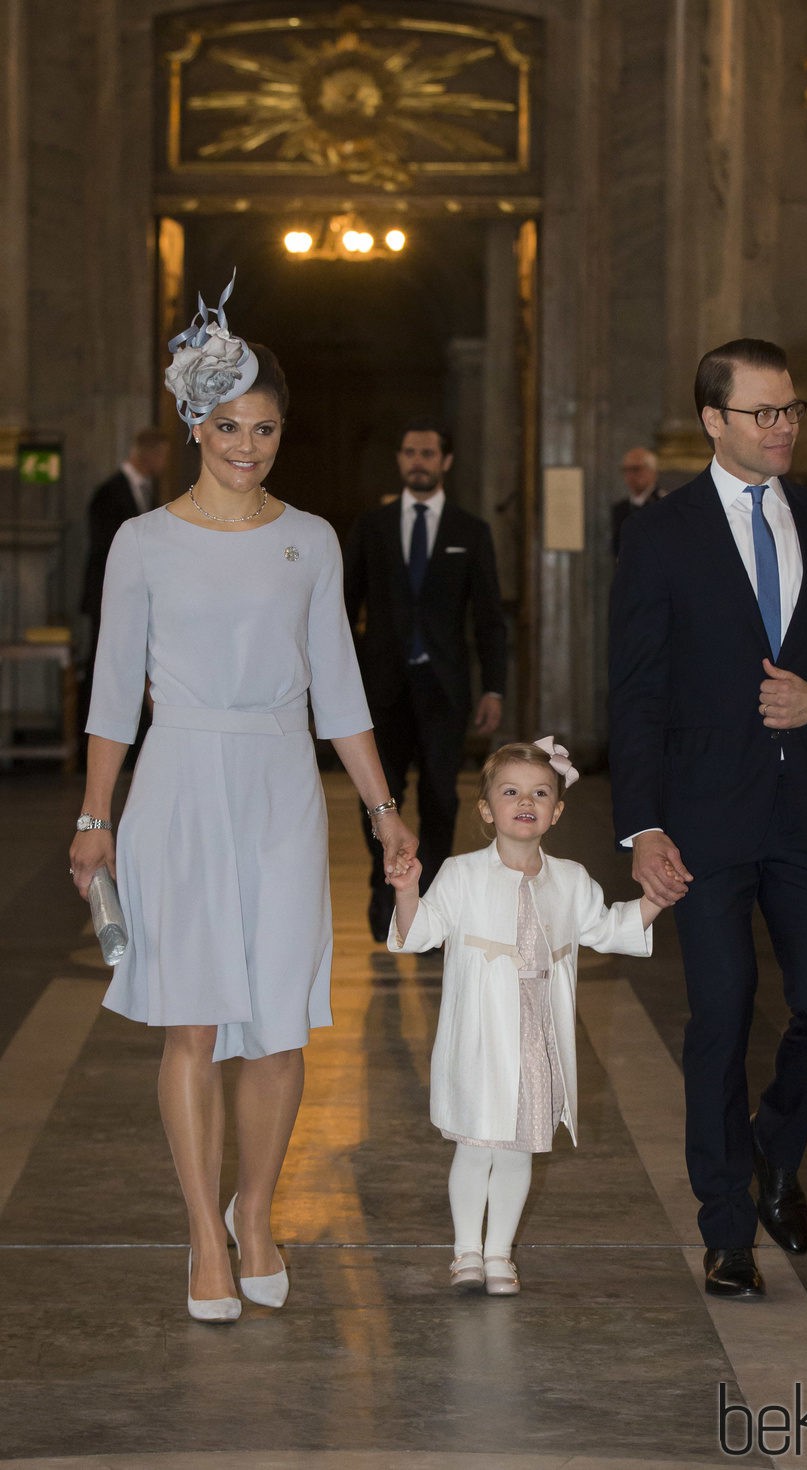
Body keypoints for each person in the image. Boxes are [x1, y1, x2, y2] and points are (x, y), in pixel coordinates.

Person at [69, 276, 416, 1323]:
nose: (247, 445)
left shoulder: (310, 538)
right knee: (190, 1019)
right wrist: (94, 820)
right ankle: (200, 1242)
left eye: (264, 428)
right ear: (194, 422)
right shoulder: (144, 543)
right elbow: (111, 693)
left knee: (276, 1026)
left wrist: (383, 810)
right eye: (228, 425)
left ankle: (254, 1214)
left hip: (277, 790)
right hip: (176, 783)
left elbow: (339, 690)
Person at [608, 338, 807, 1300]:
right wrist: (642, 827)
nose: (782, 428)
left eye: (790, 411)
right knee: (721, 1017)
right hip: (701, 819)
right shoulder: (661, 534)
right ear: (713, 421)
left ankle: (777, 1148)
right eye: (762, 413)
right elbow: (637, 690)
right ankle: (726, 1227)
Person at [388, 738, 658, 1295]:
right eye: (510, 792)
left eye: (540, 793)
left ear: (556, 811)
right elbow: (418, 935)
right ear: (487, 809)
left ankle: (499, 1254)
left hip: (537, 1039)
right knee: (476, 1145)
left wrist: (656, 899)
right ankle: (465, 1250)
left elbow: (609, 928)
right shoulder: (462, 875)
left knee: (517, 1149)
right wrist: (407, 889)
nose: (525, 801)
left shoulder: (571, 879)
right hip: (480, 1038)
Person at [344, 421, 508, 941]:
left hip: (444, 688)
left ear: (446, 461)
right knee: (380, 794)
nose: (419, 460)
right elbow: (343, 611)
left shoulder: (470, 530)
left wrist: (494, 687)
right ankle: (382, 886)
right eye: (410, 451)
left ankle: (431, 899)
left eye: (428, 453)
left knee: (441, 795)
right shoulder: (371, 528)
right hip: (381, 688)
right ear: (399, 458)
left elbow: (488, 618)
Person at [79, 427, 170, 733]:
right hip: (110, 594)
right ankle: (90, 738)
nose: (165, 463)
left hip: (138, 595)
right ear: (151, 454)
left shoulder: (146, 491)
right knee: (105, 665)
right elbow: (105, 551)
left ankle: (135, 737)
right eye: (163, 455)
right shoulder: (109, 493)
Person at [612, 446, 663, 556]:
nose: (630, 475)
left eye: (636, 469)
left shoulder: (664, 504)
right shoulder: (621, 508)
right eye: (626, 470)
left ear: (652, 471)